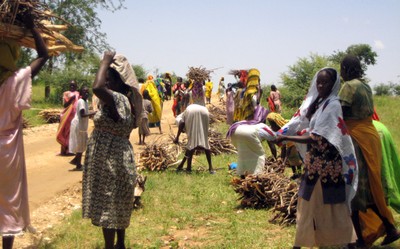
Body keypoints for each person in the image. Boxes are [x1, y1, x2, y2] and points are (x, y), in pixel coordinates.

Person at [275, 68, 358, 248]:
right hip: (315, 164)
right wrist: (282, 132)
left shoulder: (333, 105)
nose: (320, 86)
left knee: (332, 206)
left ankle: (348, 243)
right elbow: (304, 123)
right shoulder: (322, 103)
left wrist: (286, 137)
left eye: (325, 82)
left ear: (333, 84)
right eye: (318, 82)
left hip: (327, 167)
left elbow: (316, 137)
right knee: (310, 204)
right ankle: (307, 243)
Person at [82, 51, 143, 249]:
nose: (105, 84)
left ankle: (110, 247)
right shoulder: (122, 100)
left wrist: (105, 62)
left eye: (109, 80)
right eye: (105, 80)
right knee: (115, 202)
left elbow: (97, 87)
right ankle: (120, 245)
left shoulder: (116, 98)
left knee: (108, 204)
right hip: (116, 157)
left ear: (118, 82)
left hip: (111, 159)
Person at [338, 55, 400, 247]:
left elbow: (340, 110)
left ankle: (360, 240)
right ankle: (390, 228)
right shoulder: (365, 85)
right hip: (370, 135)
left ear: (347, 69)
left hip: (357, 139)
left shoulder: (348, 86)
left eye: (342, 68)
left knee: (354, 188)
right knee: (373, 186)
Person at [0, 10, 49, 249]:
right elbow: (43, 55)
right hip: (7, 153)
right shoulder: (16, 81)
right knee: (9, 200)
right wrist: (32, 27)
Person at [173, 104, 215, 174]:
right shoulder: (187, 113)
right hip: (205, 111)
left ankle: (188, 169)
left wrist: (177, 137)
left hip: (192, 111)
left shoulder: (178, 118)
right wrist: (181, 165)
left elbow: (182, 123)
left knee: (191, 144)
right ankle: (211, 168)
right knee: (205, 141)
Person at [267, 112, 302, 180]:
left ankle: (299, 174)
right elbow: (283, 147)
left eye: (272, 124)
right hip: (290, 145)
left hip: (295, 145)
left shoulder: (287, 128)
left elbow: (289, 147)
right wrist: (282, 160)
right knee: (291, 161)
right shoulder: (280, 130)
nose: (271, 127)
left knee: (297, 162)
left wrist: (284, 161)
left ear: (277, 123)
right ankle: (295, 174)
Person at [69, 86, 96, 170]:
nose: (86, 93)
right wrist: (93, 113)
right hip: (79, 125)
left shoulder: (86, 101)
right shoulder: (81, 101)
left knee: (82, 144)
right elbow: (82, 114)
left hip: (82, 125)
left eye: (87, 92)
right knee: (80, 144)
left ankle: (76, 160)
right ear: (81, 93)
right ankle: (78, 164)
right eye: (84, 92)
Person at [56, 80, 80, 155]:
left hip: (74, 116)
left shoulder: (78, 94)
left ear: (76, 86)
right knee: (65, 132)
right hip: (67, 116)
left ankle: (70, 150)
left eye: (74, 85)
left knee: (72, 133)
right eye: (71, 85)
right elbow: (65, 105)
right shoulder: (66, 93)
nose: (72, 87)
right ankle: (64, 150)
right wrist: (71, 100)